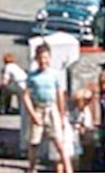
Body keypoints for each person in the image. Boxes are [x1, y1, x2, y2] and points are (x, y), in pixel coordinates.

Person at [23, 43, 72, 173]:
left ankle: (68, 169)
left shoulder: (54, 75)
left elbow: (60, 96)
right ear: (36, 59)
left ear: (50, 58)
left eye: (45, 57)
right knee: (34, 142)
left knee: (59, 141)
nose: (43, 61)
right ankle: (31, 168)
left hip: (51, 108)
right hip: (38, 109)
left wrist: (61, 116)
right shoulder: (32, 76)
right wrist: (33, 114)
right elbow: (26, 96)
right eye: (40, 58)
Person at [71, 87, 96, 171]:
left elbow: (88, 124)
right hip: (75, 136)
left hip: (86, 135)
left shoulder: (86, 110)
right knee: (75, 157)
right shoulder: (73, 111)